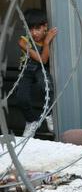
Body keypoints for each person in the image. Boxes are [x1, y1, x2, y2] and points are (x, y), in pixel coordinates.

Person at [16, 9, 57, 137]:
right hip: (27, 70)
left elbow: (42, 64)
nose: (34, 33)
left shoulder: (48, 36)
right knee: (21, 97)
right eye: (30, 29)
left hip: (40, 70)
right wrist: (46, 43)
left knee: (46, 85)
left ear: (45, 26)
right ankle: (31, 121)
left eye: (37, 28)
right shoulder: (23, 41)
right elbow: (42, 59)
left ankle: (48, 114)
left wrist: (46, 40)